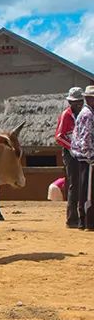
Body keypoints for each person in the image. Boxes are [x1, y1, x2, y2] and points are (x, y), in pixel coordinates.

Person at [56, 87, 84, 228]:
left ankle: (83, 216)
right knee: (74, 184)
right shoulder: (66, 115)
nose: (78, 104)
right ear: (70, 102)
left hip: (82, 153)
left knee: (83, 184)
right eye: (75, 102)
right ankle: (71, 219)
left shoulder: (84, 114)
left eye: (80, 101)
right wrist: (72, 147)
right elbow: (59, 136)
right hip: (70, 153)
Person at [69, 85, 94, 230]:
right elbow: (86, 139)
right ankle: (85, 221)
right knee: (86, 191)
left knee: (87, 189)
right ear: (89, 99)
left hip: (86, 157)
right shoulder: (87, 115)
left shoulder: (89, 113)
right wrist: (90, 156)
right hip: (86, 158)